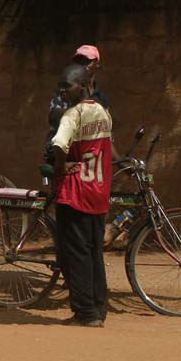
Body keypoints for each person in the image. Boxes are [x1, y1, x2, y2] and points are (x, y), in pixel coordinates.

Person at [51, 64, 113, 327]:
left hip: (75, 192)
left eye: (68, 86)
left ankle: (85, 312)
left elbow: (58, 144)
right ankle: (99, 307)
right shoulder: (102, 112)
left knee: (76, 254)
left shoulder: (71, 115)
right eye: (61, 86)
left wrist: (60, 168)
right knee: (94, 251)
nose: (62, 91)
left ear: (84, 85)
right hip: (98, 192)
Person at [45, 44, 115, 163]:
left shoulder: (101, 99)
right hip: (62, 157)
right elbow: (54, 115)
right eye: (78, 61)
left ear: (97, 64)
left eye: (86, 61)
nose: (82, 65)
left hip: (89, 160)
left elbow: (105, 135)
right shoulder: (65, 92)